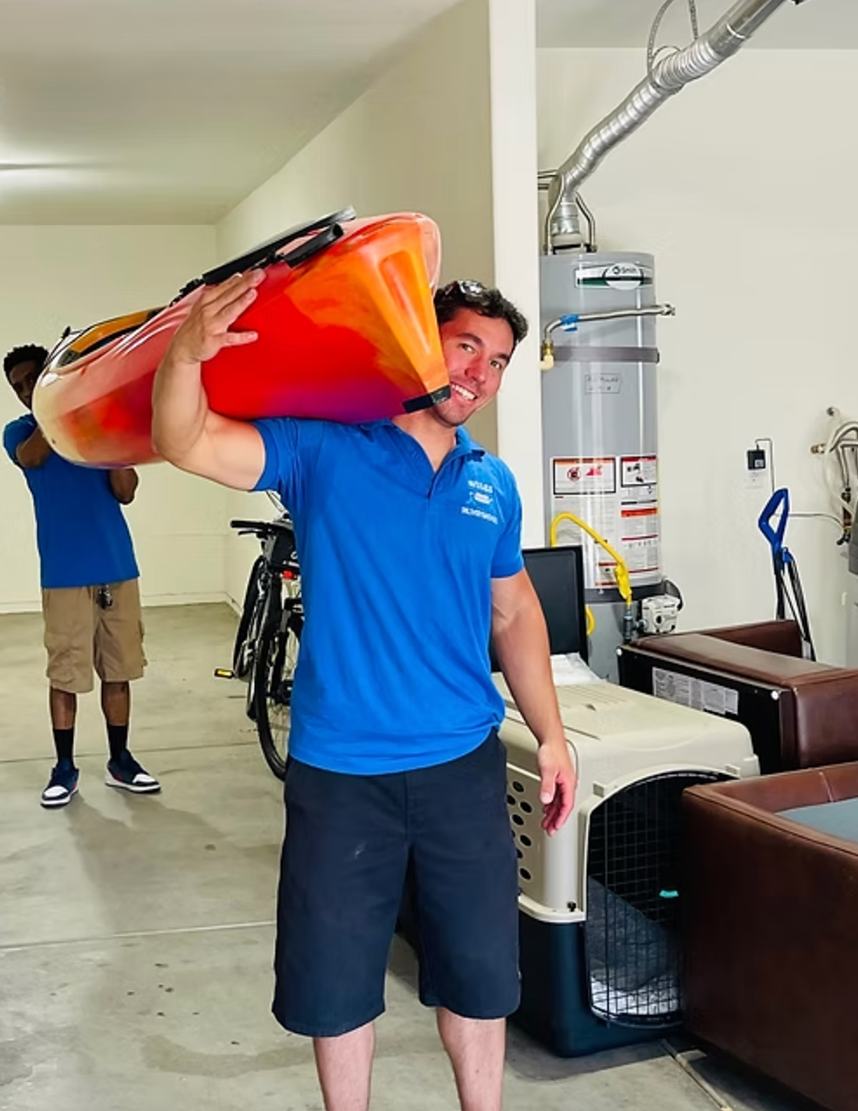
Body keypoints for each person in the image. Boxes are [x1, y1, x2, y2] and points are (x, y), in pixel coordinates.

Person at [152, 275, 576, 1111]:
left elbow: (514, 605)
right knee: (336, 979)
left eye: (496, 361)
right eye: (465, 346)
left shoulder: (490, 482)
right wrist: (184, 356)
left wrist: (551, 734)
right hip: (342, 772)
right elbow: (187, 440)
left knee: (481, 973)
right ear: (422, 341)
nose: (479, 374)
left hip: (461, 763)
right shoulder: (325, 449)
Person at [2, 343, 161, 808]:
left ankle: (120, 761)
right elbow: (32, 458)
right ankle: (64, 768)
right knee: (66, 675)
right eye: (18, 386)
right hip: (65, 574)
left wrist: (108, 435)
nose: (26, 391)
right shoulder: (21, 431)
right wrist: (64, 409)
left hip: (116, 567)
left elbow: (125, 491)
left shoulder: (96, 427)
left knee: (120, 671)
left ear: (51, 373)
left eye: (33, 379)